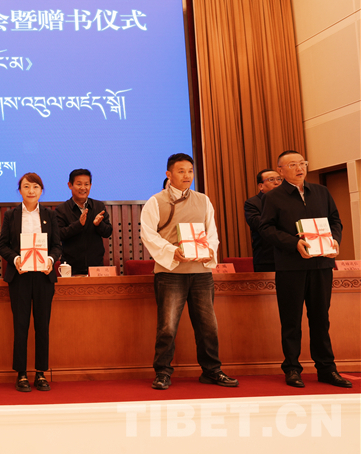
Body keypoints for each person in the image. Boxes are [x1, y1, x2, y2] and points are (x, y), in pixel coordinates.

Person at [139, 153, 238, 390]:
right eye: (181, 171)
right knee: (167, 326)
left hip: (201, 272)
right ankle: (162, 372)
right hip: (170, 273)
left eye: (190, 171)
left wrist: (209, 251)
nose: (187, 176)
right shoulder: (156, 201)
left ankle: (212, 370)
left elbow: (212, 232)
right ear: (169, 174)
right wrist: (171, 251)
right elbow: (148, 235)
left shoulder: (203, 200)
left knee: (208, 325)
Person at [259, 150, 351, 388]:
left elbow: (335, 220)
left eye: (302, 163)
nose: (299, 168)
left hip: (322, 264)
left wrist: (335, 240)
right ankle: (292, 368)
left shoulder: (321, 192)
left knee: (321, 318)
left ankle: (326, 369)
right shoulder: (274, 197)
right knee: (291, 320)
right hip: (291, 267)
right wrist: (294, 243)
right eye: (292, 165)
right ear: (280, 171)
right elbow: (266, 229)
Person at [0, 173, 61, 392]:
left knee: (42, 326)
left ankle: (41, 373)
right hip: (20, 277)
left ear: (41, 190)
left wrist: (50, 260)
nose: (31, 191)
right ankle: (21, 373)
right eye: (26, 186)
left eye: (35, 187)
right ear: (20, 190)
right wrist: (16, 259)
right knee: (20, 325)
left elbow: (57, 245)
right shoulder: (11, 215)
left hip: (43, 277)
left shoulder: (50, 215)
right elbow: (2, 245)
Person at [54, 169, 113, 275]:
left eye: (86, 184)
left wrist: (99, 224)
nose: (83, 188)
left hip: (96, 266)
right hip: (71, 267)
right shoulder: (62, 209)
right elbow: (59, 235)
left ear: (90, 185)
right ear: (70, 185)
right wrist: (78, 224)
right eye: (79, 184)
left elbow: (108, 232)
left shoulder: (98, 206)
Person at [243, 169, 282, 272]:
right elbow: (258, 223)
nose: (277, 182)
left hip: (288, 256)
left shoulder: (288, 202)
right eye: (271, 179)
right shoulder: (252, 203)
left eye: (279, 179)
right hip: (266, 258)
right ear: (261, 186)